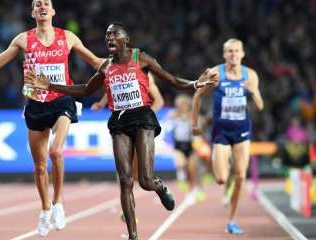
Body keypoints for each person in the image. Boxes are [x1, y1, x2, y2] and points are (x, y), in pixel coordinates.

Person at [25, 22, 217, 240]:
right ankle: (133, 236)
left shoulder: (141, 59)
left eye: (114, 34)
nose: (109, 38)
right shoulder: (106, 67)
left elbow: (172, 81)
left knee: (144, 181)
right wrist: (50, 86)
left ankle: (159, 187)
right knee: (125, 180)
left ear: (125, 39)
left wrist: (195, 84)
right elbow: (85, 90)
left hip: (143, 117)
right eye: (106, 35)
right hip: (119, 121)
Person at [0, 0, 103, 237]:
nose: (42, 6)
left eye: (46, 4)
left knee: (56, 152)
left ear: (53, 11)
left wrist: (128, 64)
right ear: (33, 12)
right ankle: (45, 209)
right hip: (35, 104)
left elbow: (96, 62)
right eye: (37, 4)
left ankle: (58, 203)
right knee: (40, 166)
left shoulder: (68, 37)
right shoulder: (23, 40)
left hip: (63, 99)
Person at [191, 38, 264, 234]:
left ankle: (231, 220)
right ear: (224, 54)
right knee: (222, 179)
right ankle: (226, 166)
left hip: (242, 131)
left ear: (242, 54)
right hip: (221, 132)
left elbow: (259, 105)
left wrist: (253, 91)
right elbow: (197, 95)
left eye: (236, 51)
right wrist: (194, 123)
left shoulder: (251, 75)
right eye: (229, 51)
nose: (233, 54)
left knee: (240, 176)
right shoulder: (216, 73)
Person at [91, 72, 164, 223]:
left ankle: (158, 187)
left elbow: (159, 101)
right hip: (124, 127)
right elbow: (113, 89)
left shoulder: (145, 75)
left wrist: (145, 119)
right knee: (124, 175)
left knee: (140, 177)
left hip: (141, 128)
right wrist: (101, 103)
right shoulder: (118, 74)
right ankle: (129, 211)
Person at [166, 94, 206, 204]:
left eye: (181, 105)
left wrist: (195, 124)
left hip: (191, 145)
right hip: (178, 145)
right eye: (177, 105)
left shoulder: (192, 116)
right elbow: (168, 128)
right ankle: (182, 177)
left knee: (192, 170)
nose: (179, 107)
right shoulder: (173, 115)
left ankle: (196, 188)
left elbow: (199, 129)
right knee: (181, 164)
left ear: (186, 105)